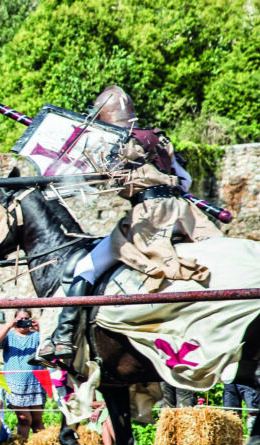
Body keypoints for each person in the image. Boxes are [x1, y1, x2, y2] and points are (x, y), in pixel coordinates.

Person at [38, 85, 222, 362]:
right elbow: (186, 182)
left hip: (149, 219)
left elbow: (93, 181)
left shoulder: (115, 143)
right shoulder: (160, 139)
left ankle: (64, 338)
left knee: (84, 267)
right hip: (186, 215)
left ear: (103, 116)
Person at [0, 309, 46, 439]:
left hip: (35, 383)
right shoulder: (9, 335)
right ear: (15, 319)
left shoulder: (37, 336)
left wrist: (40, 329)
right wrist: (9, 325)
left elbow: (50, 344)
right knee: (24, 419)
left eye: (26, 319)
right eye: (20, 319)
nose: (23, 322)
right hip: (14, 384)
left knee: (37, 421)